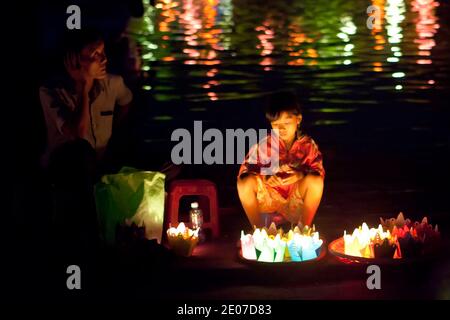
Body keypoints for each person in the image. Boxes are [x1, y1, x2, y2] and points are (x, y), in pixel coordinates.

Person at [39, 29, 133, 250]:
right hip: (65, 167)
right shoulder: (51, 91)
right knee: (80, 153)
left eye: (103, 52)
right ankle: (87, 240)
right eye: (94, 54)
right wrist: (84, 87)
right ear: (73, 59)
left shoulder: (113, 83)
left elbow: (126, 102)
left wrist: (116, 133)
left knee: (165, 164)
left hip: (100, 160)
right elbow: (77, 134)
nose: (103, 59)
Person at [237, 91, 325, 229]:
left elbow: (318, 172)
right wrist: (265, 177)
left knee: (316, 182)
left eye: (287, 122)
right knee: (244, 183)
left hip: (295, 201)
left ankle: (303, 230)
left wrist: (300, 175)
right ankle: (259, 231)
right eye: (276, 124)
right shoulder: (264, 145)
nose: (281, 129)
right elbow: (244, 171)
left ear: (298, 119)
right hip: (268, 201)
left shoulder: (308, 146)